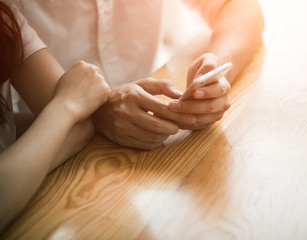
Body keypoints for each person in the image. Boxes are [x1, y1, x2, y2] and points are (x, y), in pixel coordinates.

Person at [12, 0, 264, 150]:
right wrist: (99, 112)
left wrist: (215, 73)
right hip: (51, 146)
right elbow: (60, 115)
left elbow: (239, 6)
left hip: (152, 137)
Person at [0, 2, 111, 232]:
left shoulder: (5, 15)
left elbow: (79, 124)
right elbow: (70, 108)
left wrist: (20, 170)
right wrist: (64, 107)